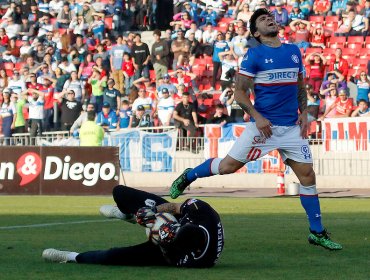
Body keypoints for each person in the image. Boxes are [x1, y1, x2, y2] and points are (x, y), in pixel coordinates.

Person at [169, 8, 342, 251]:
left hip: (291, 128)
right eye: (262, 19)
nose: (269, 19)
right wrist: (258, 117)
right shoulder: (254, 55)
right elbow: (239, 92)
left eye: (269, 17)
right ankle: (189, 175)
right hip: (263, 128)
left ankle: (317, 232)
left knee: (308, 176)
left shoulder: (293, 51)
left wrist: (304, 113)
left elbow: (300, 86)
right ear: (255, 33)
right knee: (228, 167)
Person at [42, 185, 224, 267]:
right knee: (120, 193)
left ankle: (70, 257)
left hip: (166, 251)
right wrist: (154, 212)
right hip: (174, 220)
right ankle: (127, 215)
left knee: (112, 256)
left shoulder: (198, 260)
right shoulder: (201, 211)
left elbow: (169, 257)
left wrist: (159, 238)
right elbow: (175, 207)